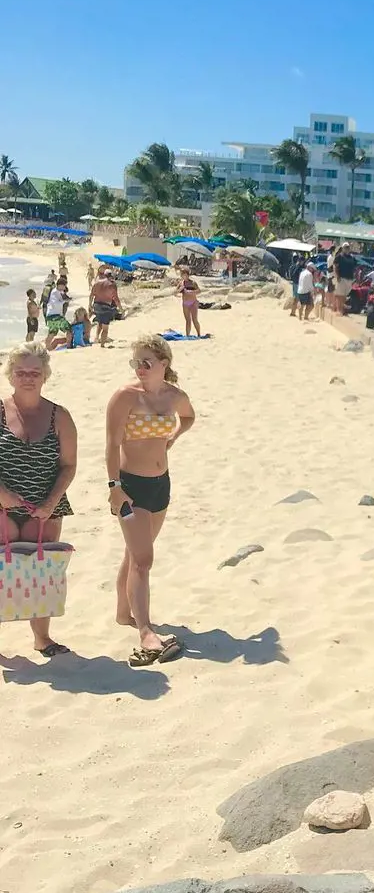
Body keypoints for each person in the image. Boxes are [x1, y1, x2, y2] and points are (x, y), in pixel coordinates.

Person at [105, 334, 195, 667]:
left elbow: (189, 417)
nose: (141, 369)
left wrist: (172, 438)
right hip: (130, 487)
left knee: (135, 553)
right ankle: (144, 630)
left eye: (147, 362)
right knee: (143, 560)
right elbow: (111, 445)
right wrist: (114, 486)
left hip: (161, 486)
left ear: (164, 364)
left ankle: (122, 613)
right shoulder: (124, 397)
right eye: (136, 363)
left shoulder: (174, 396)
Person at [0, 343, 77, 657]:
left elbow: (69, 465)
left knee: (41, 576)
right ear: (10, 375)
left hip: (47, 507)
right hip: (1, 503)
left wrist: (49, 503)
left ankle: (42, 639)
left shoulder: (60, 415)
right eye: (21, 372)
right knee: (1, 573)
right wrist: (2, 494)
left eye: (34, 372)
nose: (28, 378)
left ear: (45, 375)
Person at [89, 267, 121, 345]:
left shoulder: (97, 283)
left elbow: (91, 295)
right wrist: (121, 309)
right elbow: (116, 298)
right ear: (111, 276)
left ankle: (96, 338)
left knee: (100, 322)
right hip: (106, 306)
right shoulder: (112, 284)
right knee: (105, 328)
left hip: (96, 305)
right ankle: (102, 345)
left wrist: (89, 305)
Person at [44, 276, 71, 350]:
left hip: (50, 315)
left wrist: (67, 299)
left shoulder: (60, 292)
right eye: (64, 285)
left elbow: (63, 298)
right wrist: (64, 301)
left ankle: (47, 349)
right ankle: (69, 347)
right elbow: (55, 303)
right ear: (60, 285)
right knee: (69, 329)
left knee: (52, 332)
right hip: (55, 316)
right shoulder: (54, 292)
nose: (65, 287)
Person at [175, 269, 202, 337]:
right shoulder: (181, 283)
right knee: (188, 320)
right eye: (182, 275)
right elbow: (175, 292)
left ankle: (199, 334)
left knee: (194, 319)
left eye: (185, 275)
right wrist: (180, 290)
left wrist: (191, 292)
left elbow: (199, 291)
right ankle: (187, 335)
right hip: (185, 303)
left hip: (193, 302)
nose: (184, 276)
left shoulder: (193, 283)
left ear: (187, 275)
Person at [332, 242, 357, 314]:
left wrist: (355, 277)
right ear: (343, 248)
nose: (347, 249)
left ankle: (342, 309)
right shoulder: (339, 256)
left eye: (348, 247)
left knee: (345, 295)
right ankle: (339, 310)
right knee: (340, 295)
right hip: (341, 278)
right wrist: (337, 276)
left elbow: (355, 267)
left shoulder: (352, 257)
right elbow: (335, 266)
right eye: (345, 247)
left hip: (349, 278)